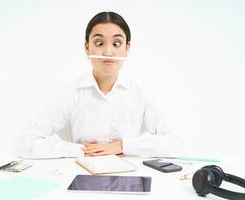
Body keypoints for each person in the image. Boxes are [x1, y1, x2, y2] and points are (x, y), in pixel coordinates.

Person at [16, 11, 181, 159]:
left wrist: (122, 146)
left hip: (128, 176)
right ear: (87, 47)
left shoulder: (141, 92)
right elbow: (25, 142)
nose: (108, 52)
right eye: (99, 43)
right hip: (79, 172)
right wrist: (78, 150)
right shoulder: (70, 92)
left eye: (116, 44)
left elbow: (175, 142)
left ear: (127, 48)